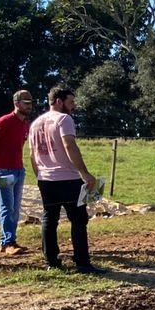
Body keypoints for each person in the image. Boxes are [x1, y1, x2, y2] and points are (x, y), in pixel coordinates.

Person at [29, 86, 101, 272]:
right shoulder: (64, 119)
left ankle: (51, 261)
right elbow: (70, 146)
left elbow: (32, 153)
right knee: (78, 219)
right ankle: (82, 263)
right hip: (67, 177)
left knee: (49, 219)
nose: (73, 106)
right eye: (70, 102)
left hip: (45, 178)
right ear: (59, 101)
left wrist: (39, 174)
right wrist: (84, 173)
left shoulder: (36, 123)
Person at [0, 89, 34, 256]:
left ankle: (8, 239)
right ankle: (8, 242)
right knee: (7, 206)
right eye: (25, 102)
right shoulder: (3, 122)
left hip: (18, 170)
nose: (29, 106)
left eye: (31, 102)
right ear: (16, 103)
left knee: (15, 208)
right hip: (2, 170)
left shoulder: (26, 124)